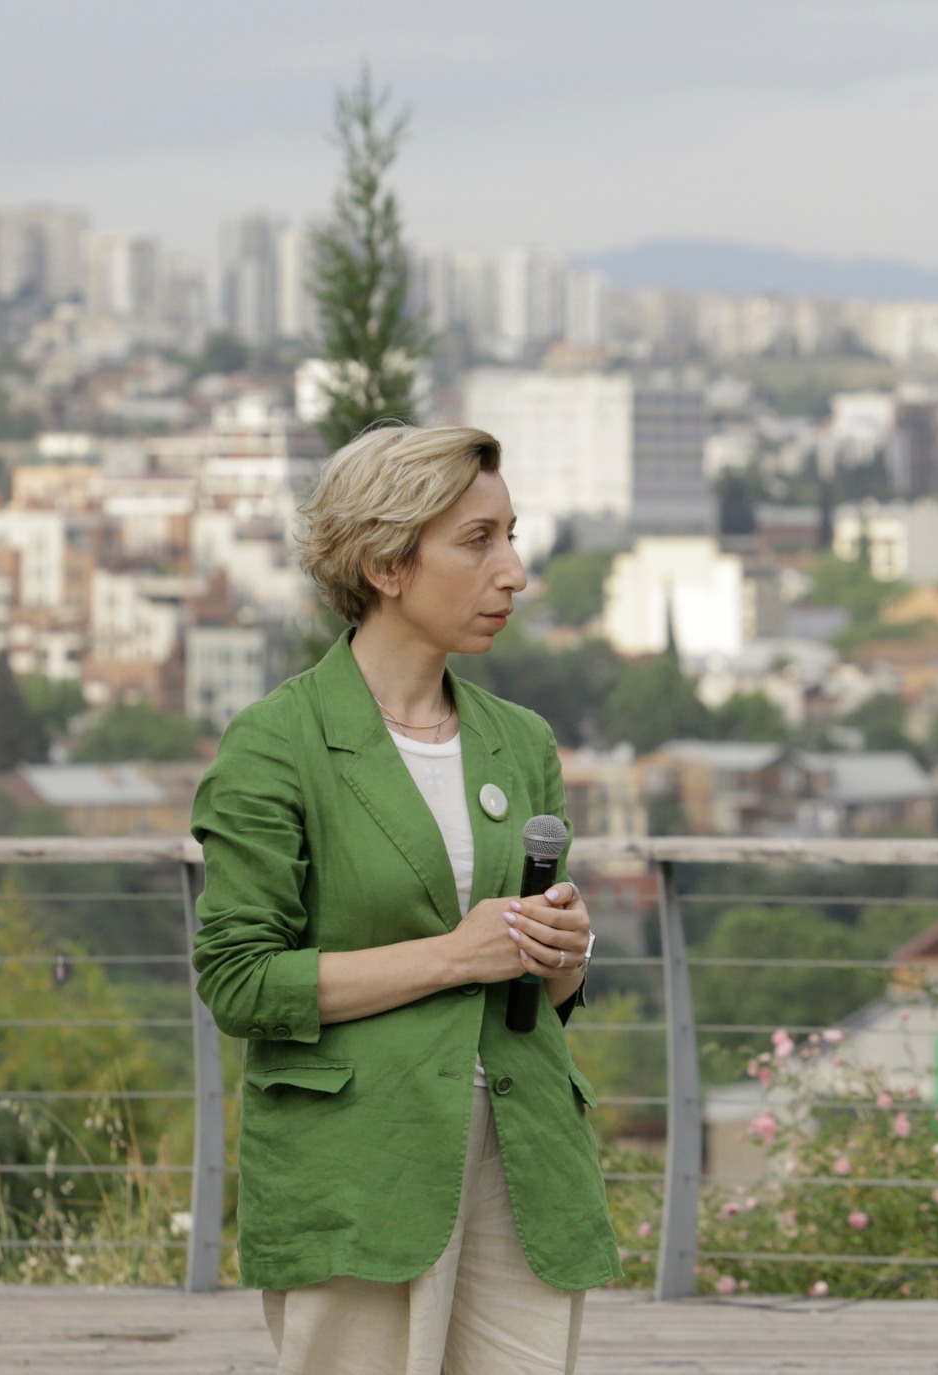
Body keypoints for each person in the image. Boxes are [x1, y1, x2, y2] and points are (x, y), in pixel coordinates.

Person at [191, 424, 620, 1375]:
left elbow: (541, 996)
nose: (514, 572)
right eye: (478, 541)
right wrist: (457, 954)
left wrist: (562, 954)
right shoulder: (278, 743)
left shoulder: (521, 741)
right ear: (386, 563)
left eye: (512, 535)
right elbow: (240, 981)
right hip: (360, 1165)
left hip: (523, 1162)